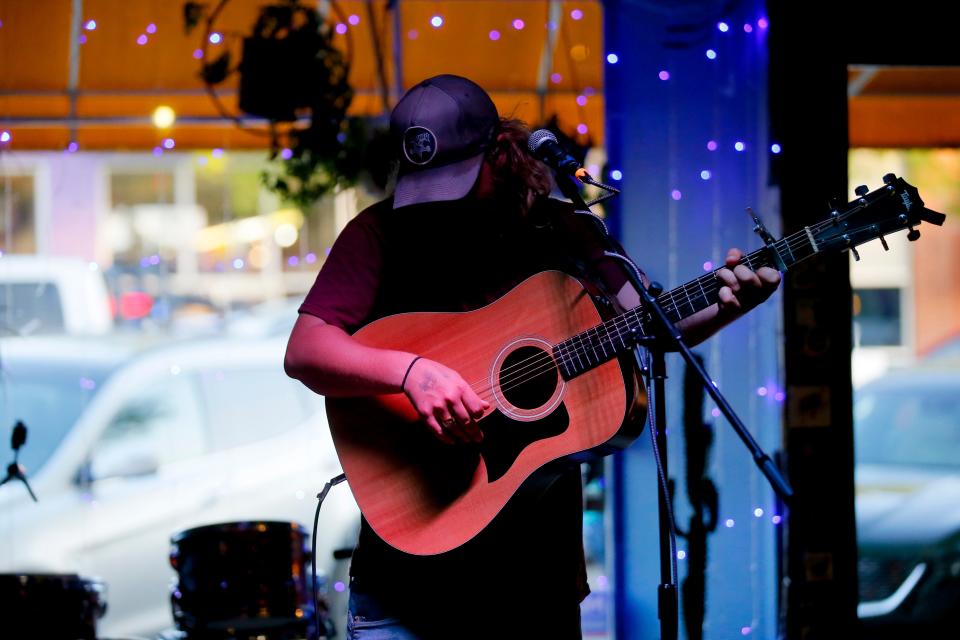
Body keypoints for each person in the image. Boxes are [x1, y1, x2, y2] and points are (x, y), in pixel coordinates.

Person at [284, 74, 780, 639]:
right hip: (408, 582)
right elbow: (306, 350)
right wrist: (411, 372)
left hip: (534, 583)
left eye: (457, 181)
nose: (440, 203)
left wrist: (731, 304)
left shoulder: (567, 230)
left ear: (500, 153)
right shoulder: (379, 232)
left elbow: (656, 322)